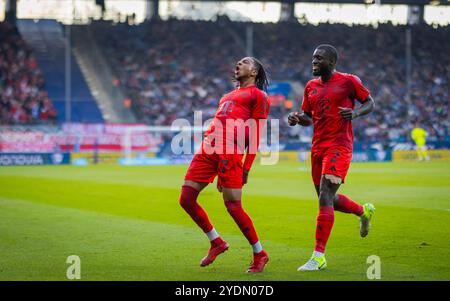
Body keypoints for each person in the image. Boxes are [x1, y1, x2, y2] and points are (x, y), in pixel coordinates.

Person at [288, 44, 376, 271]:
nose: (314, 62)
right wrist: (299, 119)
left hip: (339, 146)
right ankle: (363, 211)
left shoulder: (349, 81)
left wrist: (355, 113)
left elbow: (370, 102)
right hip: (317, 148)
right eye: (313, 58)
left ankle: (318, 256)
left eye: (319, 59)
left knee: (326, 195)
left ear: (332, 62)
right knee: (326, 199)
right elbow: (309, 117)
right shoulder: (310, 87)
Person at [179, 57, 270, 273]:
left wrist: (246, 167)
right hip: (208, 147)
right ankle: (216, 242)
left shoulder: (258, 95)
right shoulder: (227, 95)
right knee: (186, 198)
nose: (238, 65)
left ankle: (259, 253)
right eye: (237, 63)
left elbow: (255, 134)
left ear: (254, 72)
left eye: (244, 63)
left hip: (231, 151)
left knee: (232, 204)